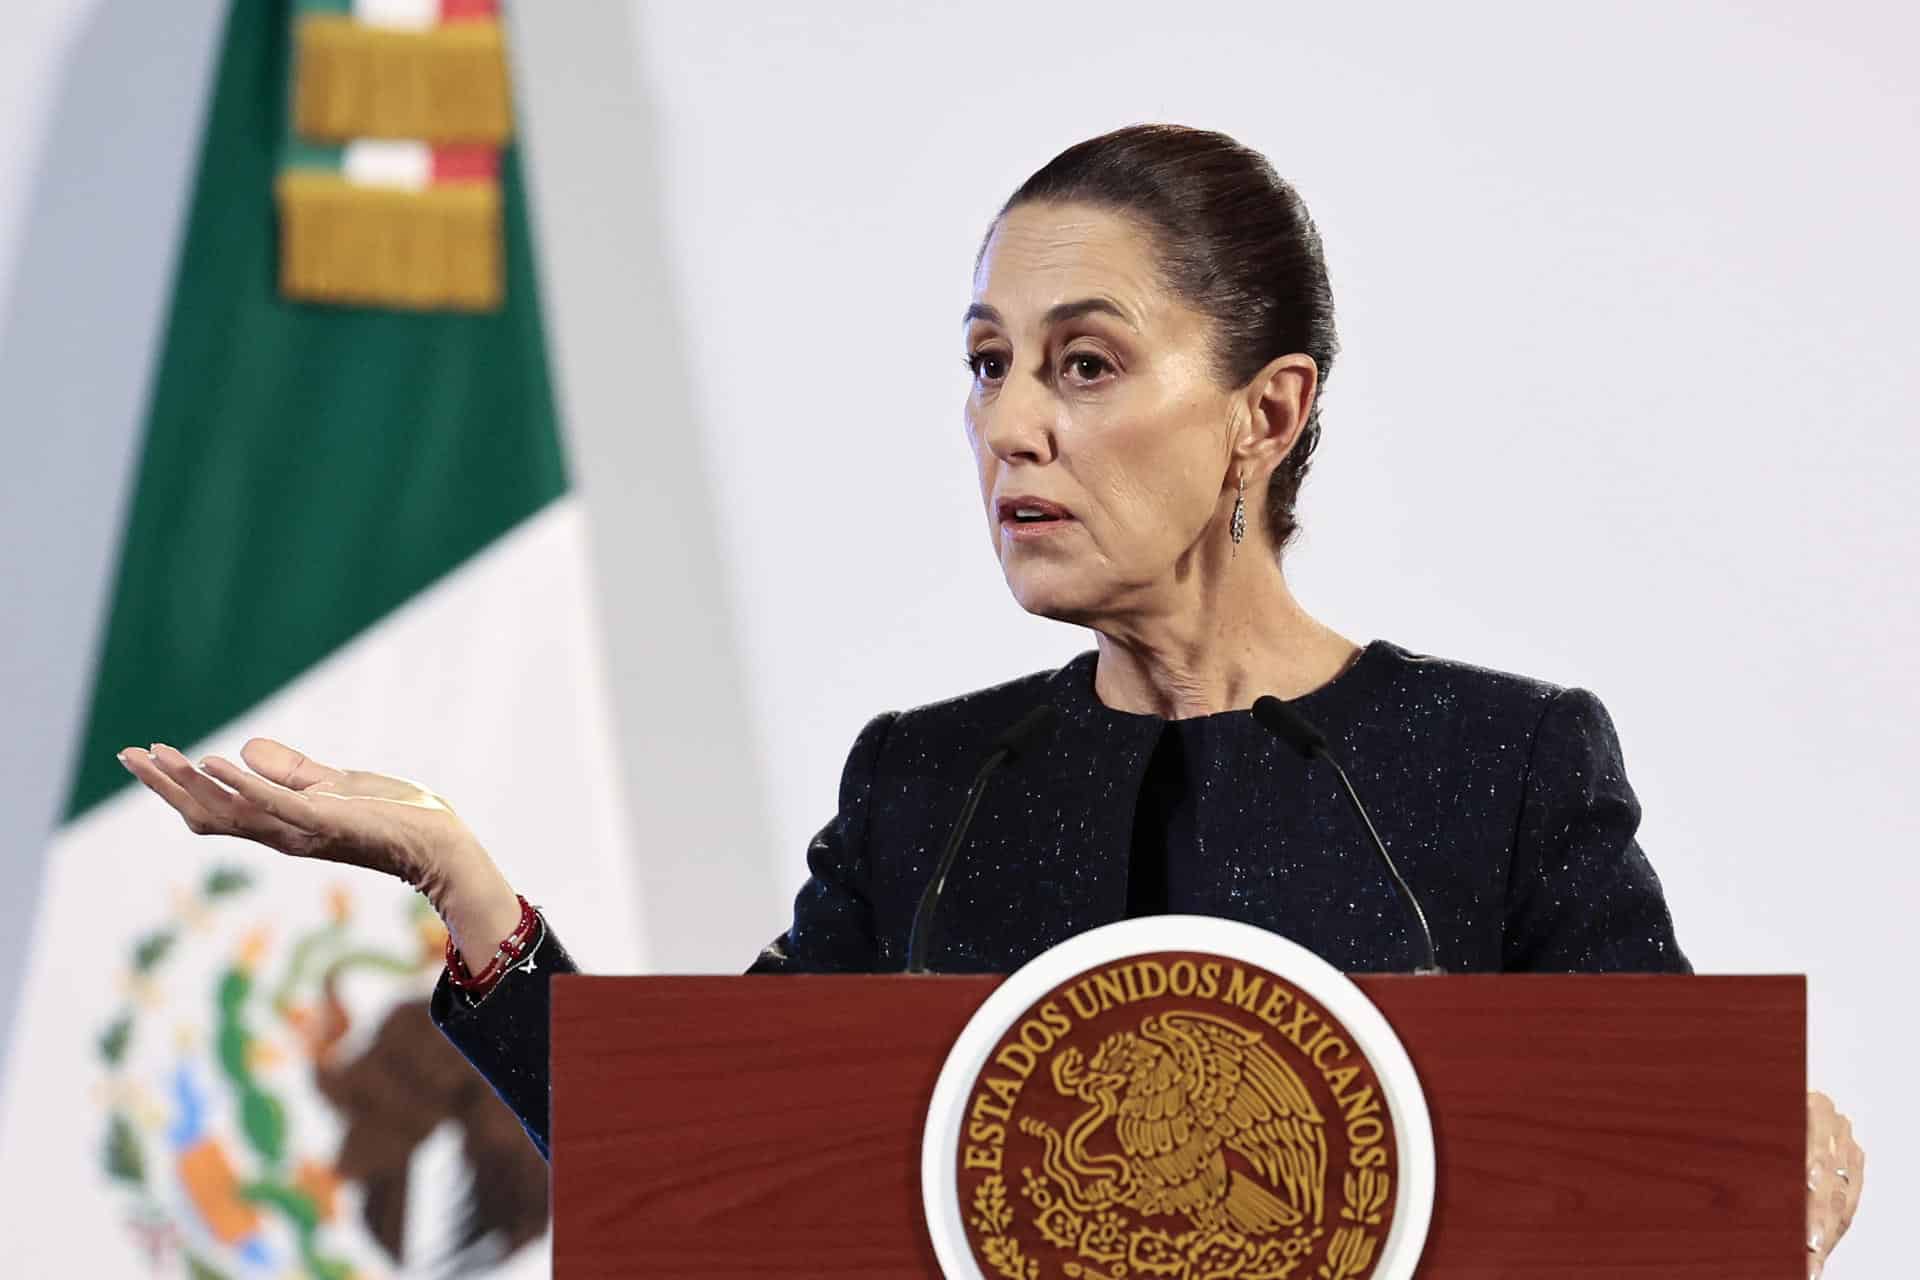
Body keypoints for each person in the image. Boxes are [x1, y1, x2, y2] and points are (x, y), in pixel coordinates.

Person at [117, 124, 1863, 1273]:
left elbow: (1670, 1178)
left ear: (1267, 412)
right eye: (987, 364)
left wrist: (1777, 1179)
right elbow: (710, 1164)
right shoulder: (925, 787)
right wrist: (460, 879)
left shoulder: (1501, 762)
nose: (1009, 424)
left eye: (1084, 365)